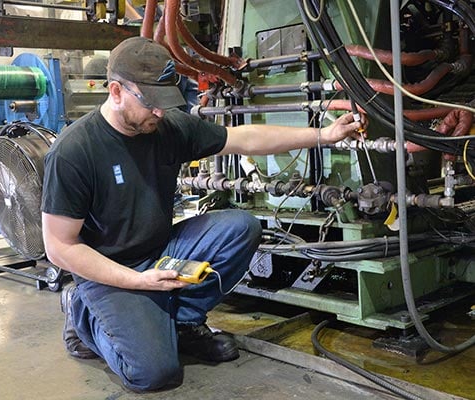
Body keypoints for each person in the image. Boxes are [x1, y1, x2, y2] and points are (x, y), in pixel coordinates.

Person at [41, 36, 367, 392]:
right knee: (154, 374)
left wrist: (323, 134)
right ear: (116, 92)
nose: (160, 112)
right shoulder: (75, 151)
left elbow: (244, 138)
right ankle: (83, 315)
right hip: (109, 271)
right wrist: (137, 281)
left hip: (162, 253)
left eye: (166, 102)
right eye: (151, 103)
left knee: (239, 227)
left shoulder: (166, 127)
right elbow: (59, 246)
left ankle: (182, 324)